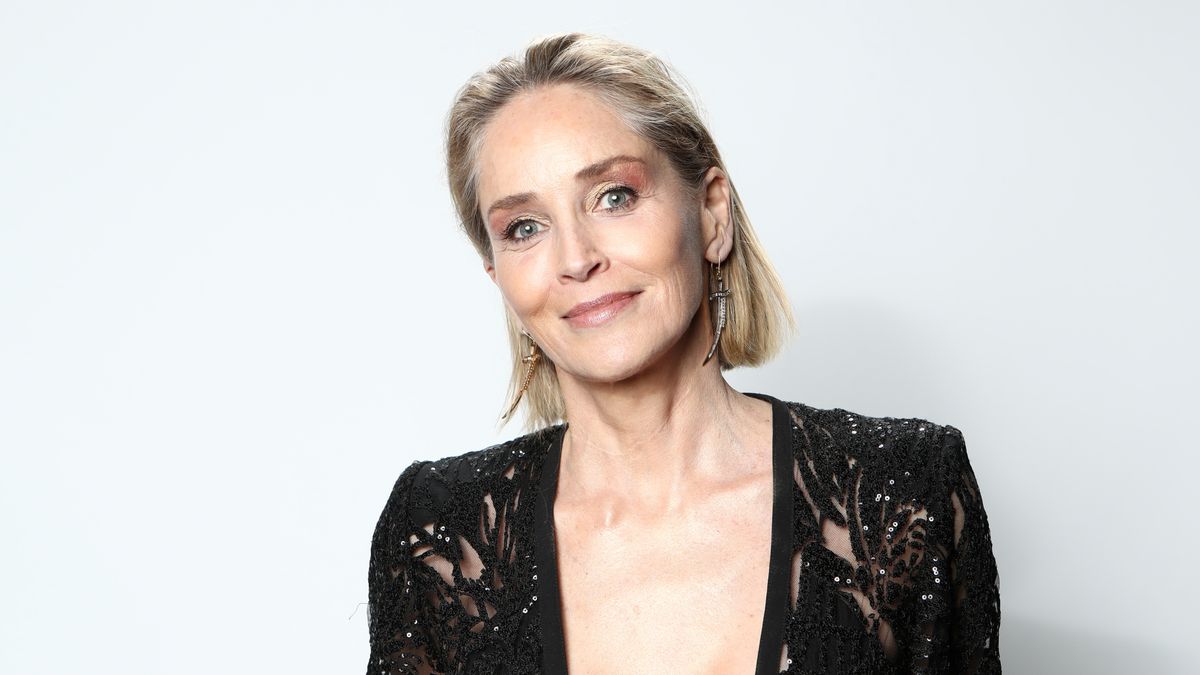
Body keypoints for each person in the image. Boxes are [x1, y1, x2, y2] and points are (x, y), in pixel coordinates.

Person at [366, 32, 1001, 675]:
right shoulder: (438, 532)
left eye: (614, 196)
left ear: (712, 213)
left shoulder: (908, 492)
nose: (577, 259)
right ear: (498, 276)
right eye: (524, 228)